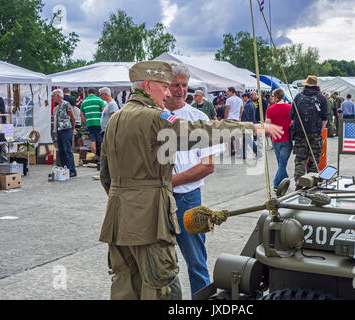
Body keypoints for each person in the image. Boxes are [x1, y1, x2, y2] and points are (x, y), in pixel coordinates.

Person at [98, 60, 283, 300]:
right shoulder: (154, 117)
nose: (167, 93)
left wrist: (124, 197)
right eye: (164, 87)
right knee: (161, 285)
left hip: (118, 217)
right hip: (150, 217)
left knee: (126, 287)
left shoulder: (116, 118)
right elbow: (199, 130)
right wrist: (252, 128)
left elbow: (105, 175)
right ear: (147, 85)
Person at [165, 61, 222, 299]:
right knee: (158, 261)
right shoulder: (150, 116)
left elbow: (207, 166)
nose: (180, 90)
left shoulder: (199, 119)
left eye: (184, 85)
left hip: (187, 199)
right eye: (175, 85)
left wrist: (169, 181)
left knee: (197, 262)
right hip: (156, 198)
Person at [290, 75, 328, 184]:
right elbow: (325, 118)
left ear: (305, 85)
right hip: (315, 133)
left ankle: (299, 182)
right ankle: (311, 182)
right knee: (314, 160)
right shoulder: (322, 98)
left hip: (300, 133)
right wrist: (319, 131)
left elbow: (292, 116)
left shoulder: (298, 97)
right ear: (316, 86)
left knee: (300, 160)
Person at [266, 89, 292, 191]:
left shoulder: (270, 109)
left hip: (275, 139)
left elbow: (267, 124)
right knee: (282, 162)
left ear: (276, 97)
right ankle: (285, 179)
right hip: (287, 138)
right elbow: (293, 122)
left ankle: (276, 183)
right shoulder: (290, 107)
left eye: (273, 96)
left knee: (281, 162)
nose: (272, 98)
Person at [52, 89, 77, 177]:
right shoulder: (56, 107)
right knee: (61, 151)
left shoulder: (66, 104)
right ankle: (64, 169)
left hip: (66, 130)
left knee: (67, 150)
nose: (52, 98)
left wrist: (72, 129)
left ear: (58, 96)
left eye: (53, 96)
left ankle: (72, 170)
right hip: (59, 130)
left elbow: (73, 118)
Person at [80, 88, 105, 168]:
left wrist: (85, 122)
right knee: (101, 139)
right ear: (95, 93)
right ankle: (101, 157)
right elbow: (104, 111)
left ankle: (95, 156)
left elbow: (81, 115)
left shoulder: (84, 102)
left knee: (92, 139)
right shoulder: (99, 100)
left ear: (88, 93)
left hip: (90, 123)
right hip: (99, 123)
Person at [224, 87, 244, 156]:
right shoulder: (240, 100)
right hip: (237, 119)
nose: (226, 94)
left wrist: (225, 119)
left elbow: (227, 110)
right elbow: (242, 110)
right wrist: (239, 117)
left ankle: (233, 150)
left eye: (227, 92)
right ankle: (237, 149)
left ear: (231, 91)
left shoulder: (228, 100)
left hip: (230, 118)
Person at [241, 92, 258, 159]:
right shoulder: (252, 104)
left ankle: (257, 152)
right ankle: (244, 154)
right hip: (251, 123)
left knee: (248, 140)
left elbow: (246, 116)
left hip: (247, 124)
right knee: (246, 139)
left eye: (243, 97)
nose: (242, 98)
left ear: (246, 97)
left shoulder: (248, 105)